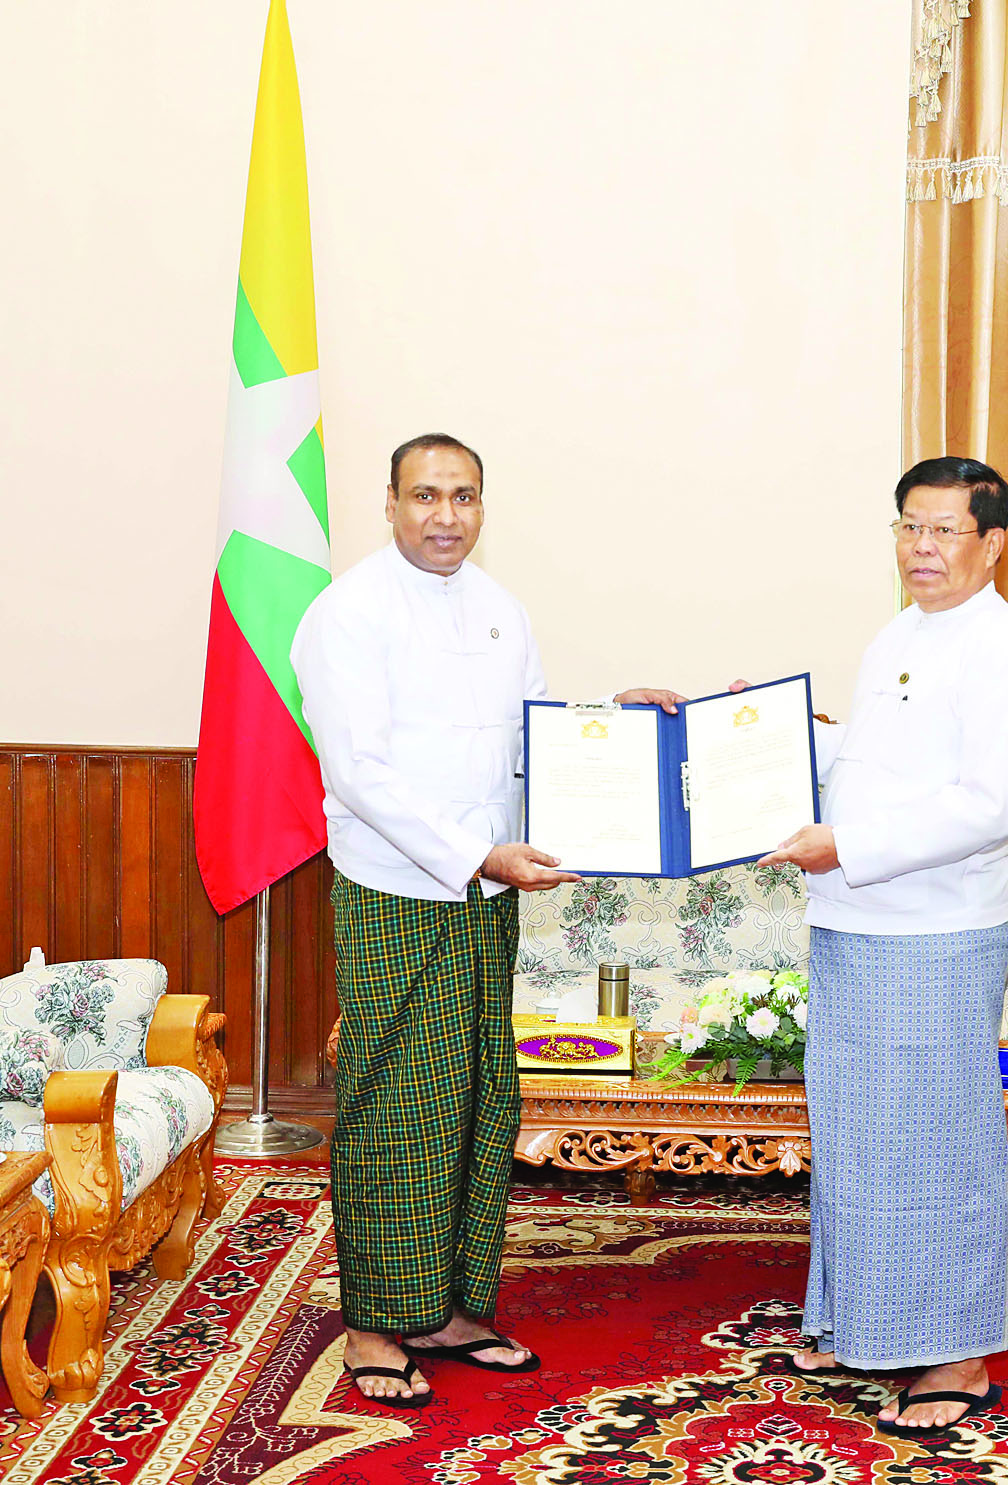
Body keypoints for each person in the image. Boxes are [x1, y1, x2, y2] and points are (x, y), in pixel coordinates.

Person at [293, 433, 683, 1406]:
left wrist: (616, 721)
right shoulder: (348, 613)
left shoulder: (502, 610)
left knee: (476, 1100)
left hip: (487, 893)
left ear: (481, 505)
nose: (445, 515)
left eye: (463, 496)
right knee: (395, 1104)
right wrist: (477, 853)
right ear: (389, 504)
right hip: (398, 888)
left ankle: (452, 1307)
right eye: (425, 495)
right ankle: (375, 1324)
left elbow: (532, 741)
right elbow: (359, 773)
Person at [758, 456, 1008, 1436]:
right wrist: (762, 733)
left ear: (991, 543)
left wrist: (846, 844)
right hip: (853, 922)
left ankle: (958, 1353)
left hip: (934, 933)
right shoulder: (899, 631)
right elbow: (867, 762)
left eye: (943, 530)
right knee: (857, 1138)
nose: (920, 548)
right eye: (907, 527)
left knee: (935, 1146)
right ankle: (863, 1323)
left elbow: (986, 805)